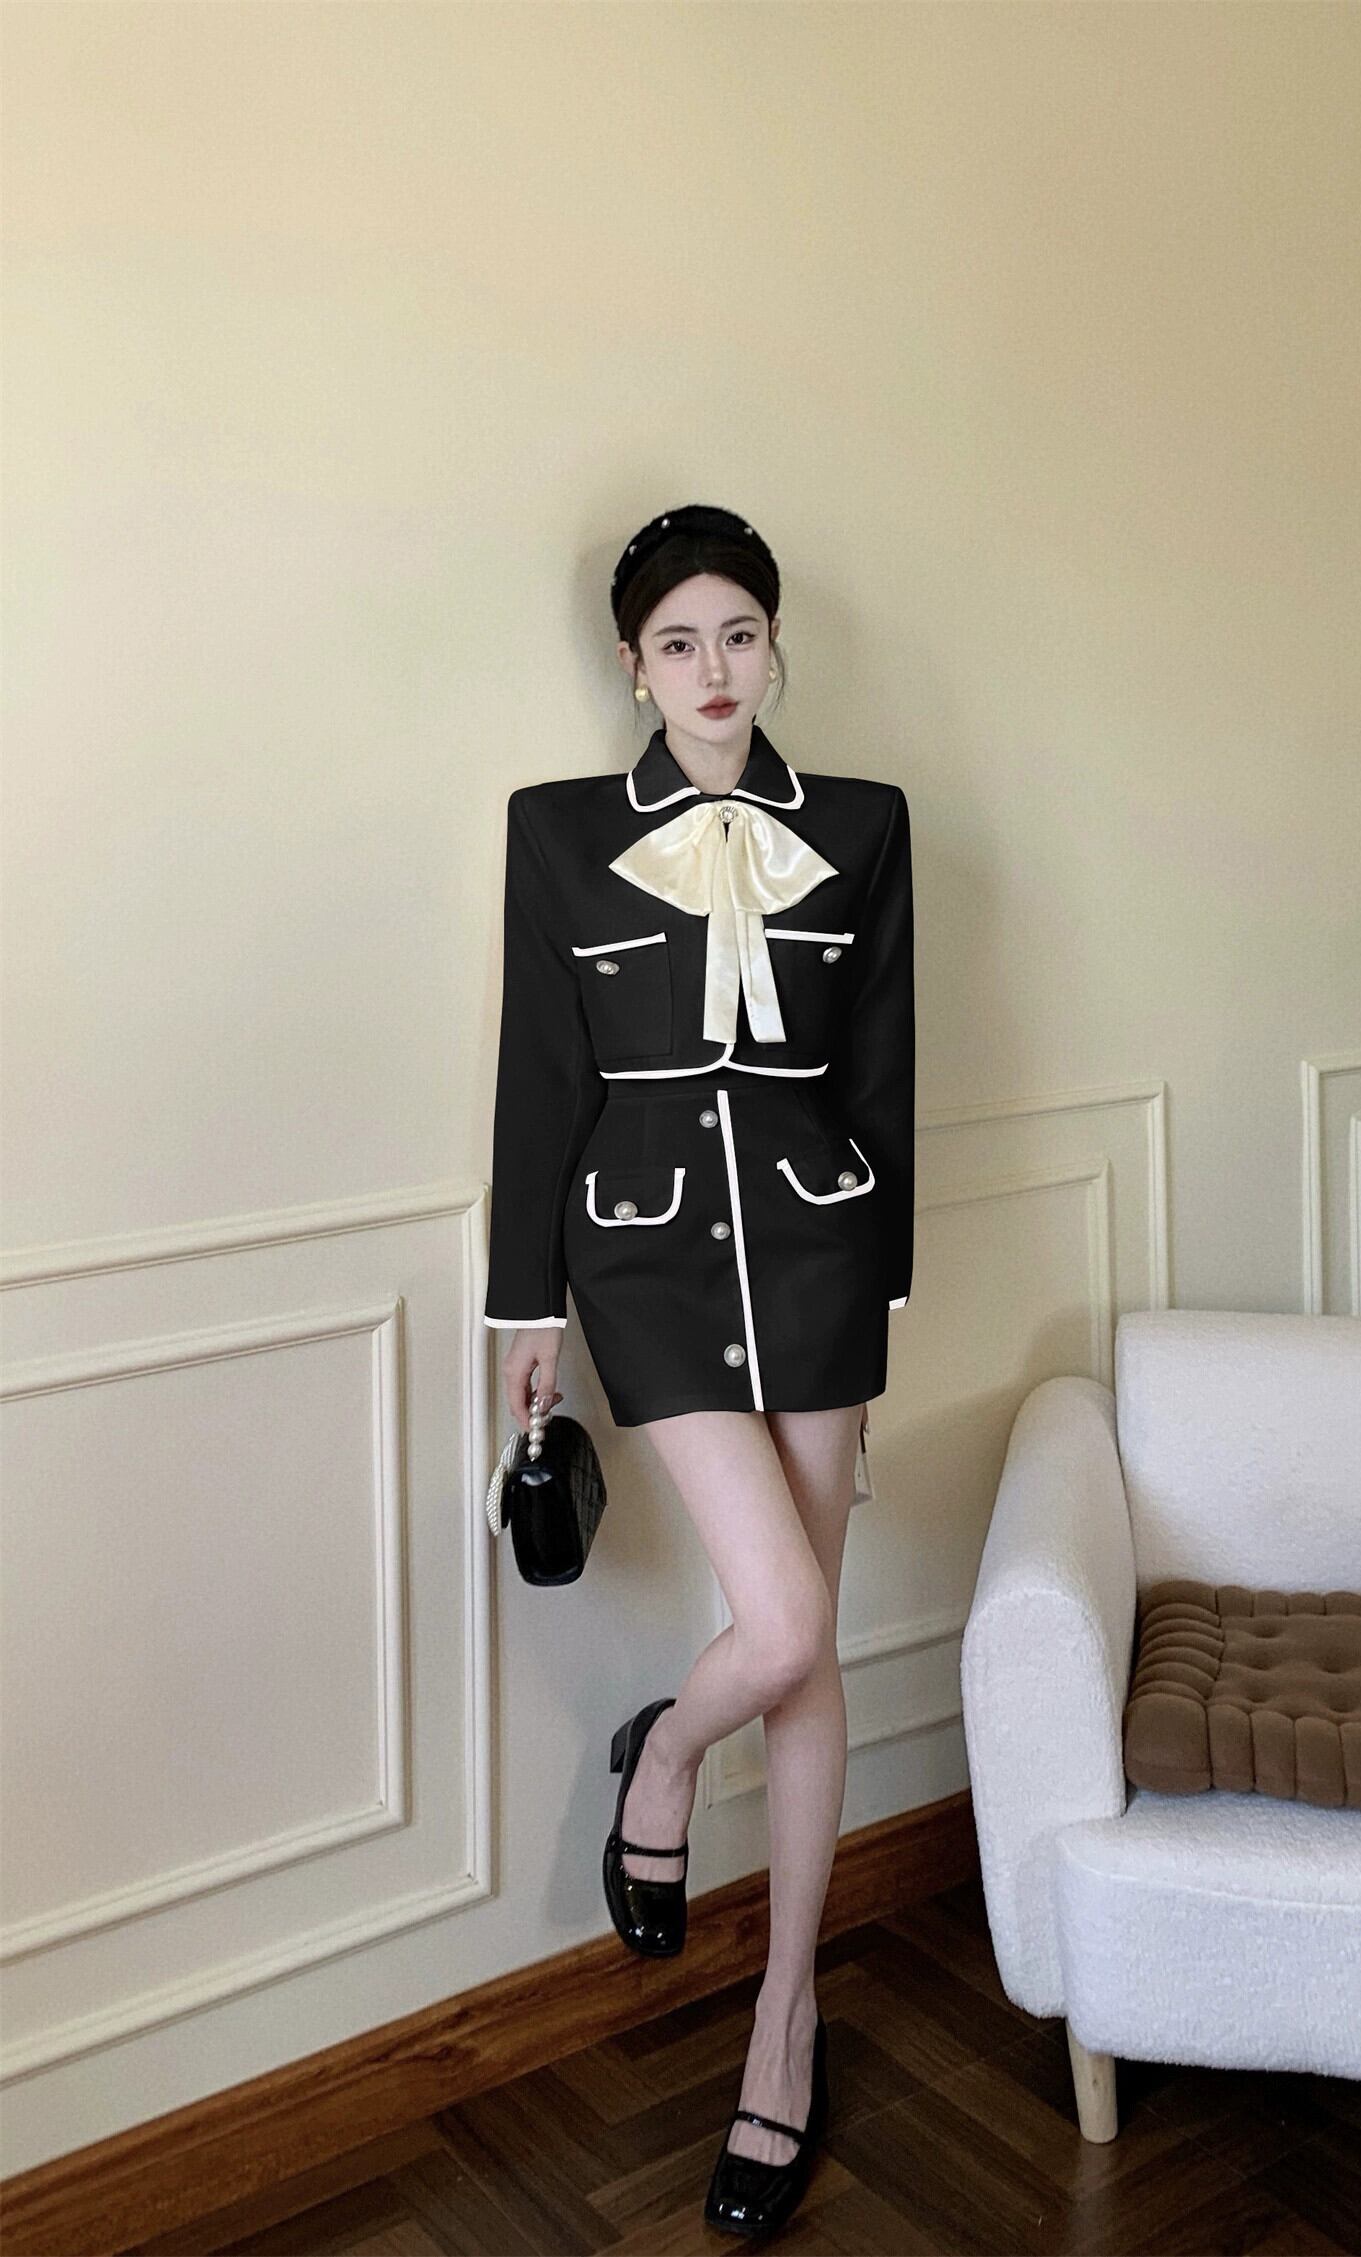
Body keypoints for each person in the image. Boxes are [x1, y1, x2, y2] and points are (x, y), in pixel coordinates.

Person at [483, 502, 914, 2239]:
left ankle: (784, 2025)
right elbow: (538, 1078)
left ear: (774, 645)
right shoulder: (562, 833)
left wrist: (880, 1295)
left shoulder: (865, 826)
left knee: (810, 1658)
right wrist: (524, 1311)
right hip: (645, 1259)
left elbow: (881, 1067)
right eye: (680, 642)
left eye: (740, 634)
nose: (715, 669)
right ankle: (661, 1754)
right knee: (785, 1622)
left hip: (818, 1258)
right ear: (634, 664)